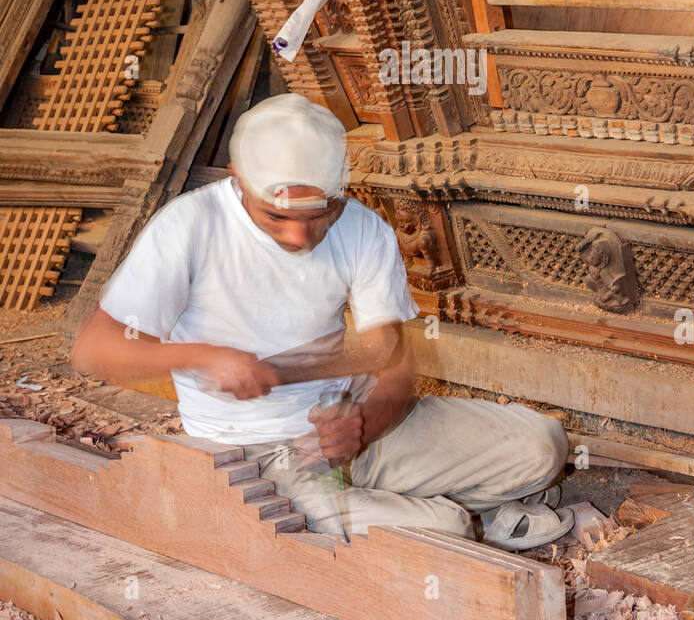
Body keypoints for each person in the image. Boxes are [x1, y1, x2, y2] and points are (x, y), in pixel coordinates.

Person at [72, 94, 572, 548]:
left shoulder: (361, 227)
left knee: (542, 447)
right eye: (277, 217)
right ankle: (461, 519)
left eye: (321, 213)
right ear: (236, 179)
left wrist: (364, 424)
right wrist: (202, 355)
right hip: (258, 455)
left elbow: (395, 368)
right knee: (445, 535)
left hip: (357, 426)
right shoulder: (189, 227)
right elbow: (92, 351)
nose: (300, 237)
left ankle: (432, 512)